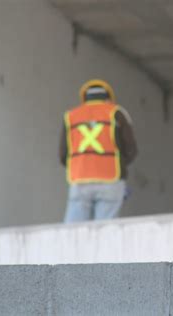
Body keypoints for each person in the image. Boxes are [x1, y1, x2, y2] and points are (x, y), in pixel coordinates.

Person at [59, 79, 138, 223]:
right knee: (105, 232)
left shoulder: (70, 116)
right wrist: (118, 165)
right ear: (108, 98)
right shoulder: (117, 113)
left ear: (84, 98)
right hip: (111, 180)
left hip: (79, 180)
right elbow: (131, 150)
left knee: (74, 233)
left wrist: (81, 165)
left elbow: (63, 155)